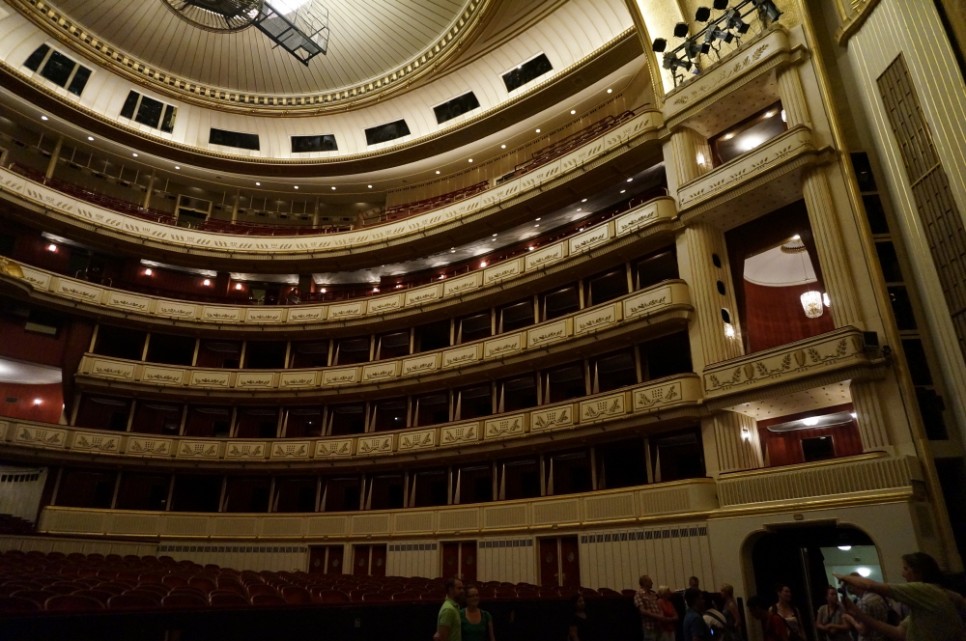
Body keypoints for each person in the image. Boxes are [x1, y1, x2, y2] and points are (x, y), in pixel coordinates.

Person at [836, 551, 966, 641]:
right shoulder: (925, 601)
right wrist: (859, 615)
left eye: (905, 569)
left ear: (917, 572)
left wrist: (843, 577)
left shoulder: (926, 590)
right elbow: (899, 633)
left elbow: (871, 585)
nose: (903, 574)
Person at [845, 572, 889, 641]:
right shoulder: (878, 596)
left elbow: (863, 630)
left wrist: (850, 619)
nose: (852, 591)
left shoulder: (863, 602)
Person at [635, 575, 671, 641]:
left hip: (658, 626)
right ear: (645, 582)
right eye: (650, 581)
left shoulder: (653, 594)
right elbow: (642, 611)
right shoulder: (639, 594)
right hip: (649, 627)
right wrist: (658, 616)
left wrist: (661, 614)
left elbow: (659, 606)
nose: (652, 583)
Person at [437, 577, 465, 641]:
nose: (462, 591)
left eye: (462, 588)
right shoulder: (448, 609)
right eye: (459, 588)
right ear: (450, 589)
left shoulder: (455, 607)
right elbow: (442, 638)